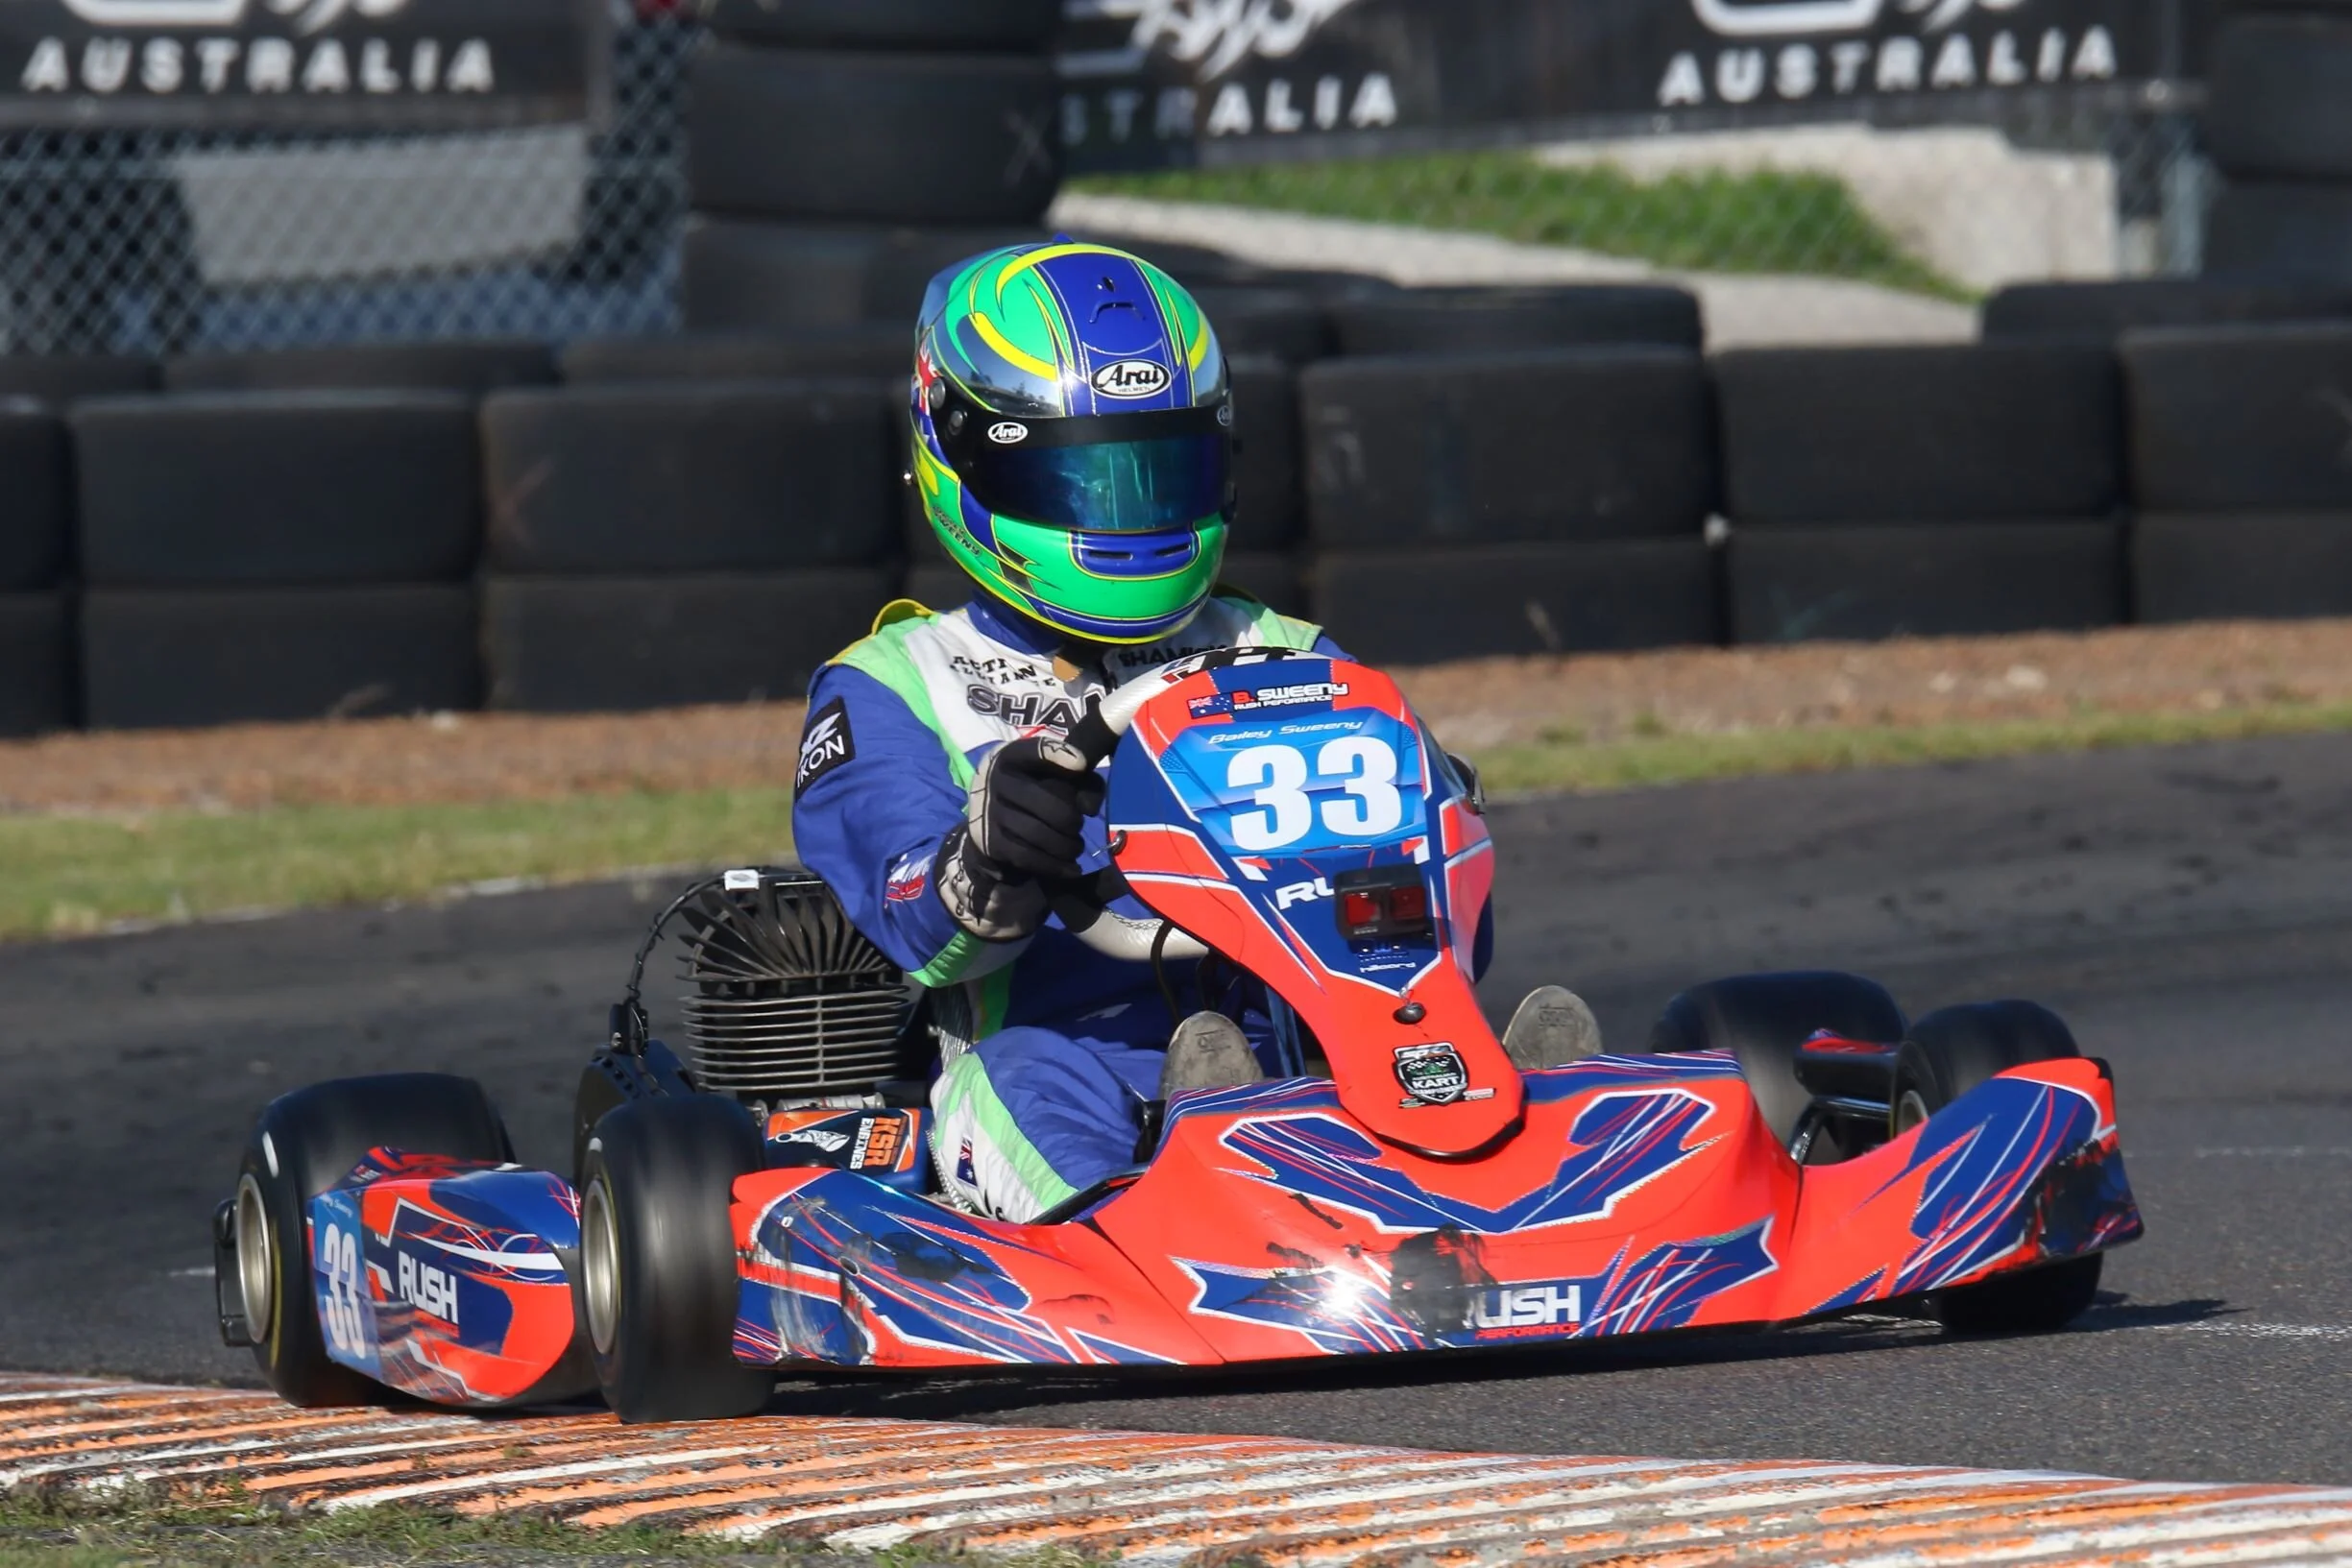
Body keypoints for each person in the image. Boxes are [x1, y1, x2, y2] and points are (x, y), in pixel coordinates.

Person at [791, 240, 1596, 1222]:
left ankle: (1510, 1137)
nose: (1127, 511)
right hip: (1067, 1066)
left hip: (1312, 1048)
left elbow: (1447, 928)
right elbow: (913, 919)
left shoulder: (1287, 649)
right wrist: (994, 851)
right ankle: (1147, 1213)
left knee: (1426, 1017)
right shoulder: (894, 683)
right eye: (1081, 479)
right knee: (1019, 1075)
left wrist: (1435, 831)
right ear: (962, 454)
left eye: (1159, 471)